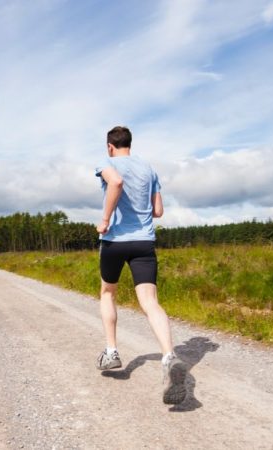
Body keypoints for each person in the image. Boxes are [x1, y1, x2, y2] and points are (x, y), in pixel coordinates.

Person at [94, 125, 180, 404]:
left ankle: (111, 352)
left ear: (110, 146)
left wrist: (106, 220)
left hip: (115, 240)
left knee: (108, 292)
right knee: (150, 301)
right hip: (145, 242)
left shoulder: (106, 162)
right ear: (130, 144)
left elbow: (116, 182)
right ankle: (169, 356)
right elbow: (158, 211)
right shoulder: (149, 168)